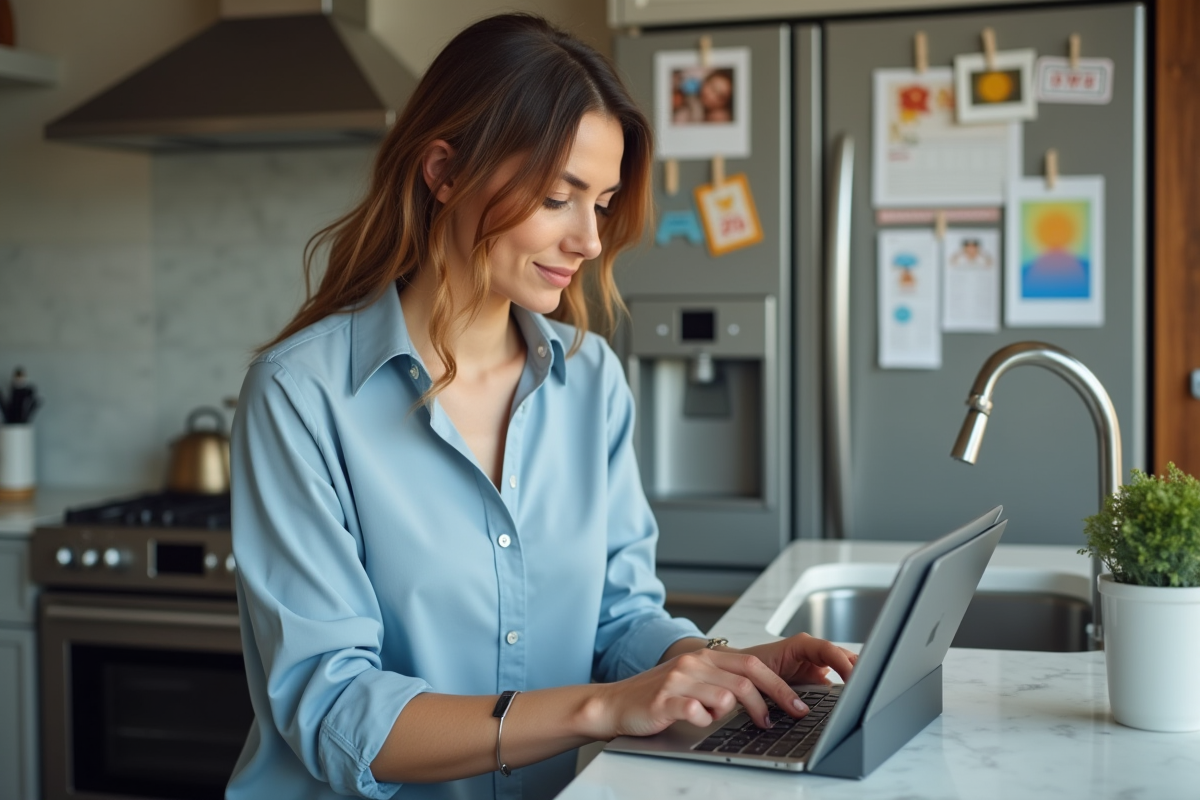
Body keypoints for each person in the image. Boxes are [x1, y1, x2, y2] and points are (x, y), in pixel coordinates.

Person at [226, 14, 855, 800]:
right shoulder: (300, 395)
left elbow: (620, 620)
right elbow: (335, 708)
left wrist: (720, 666)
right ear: (444, 173)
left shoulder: (591, 381)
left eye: (603, 202)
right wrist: (603, 708)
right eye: (560, 198)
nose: (590, 240)